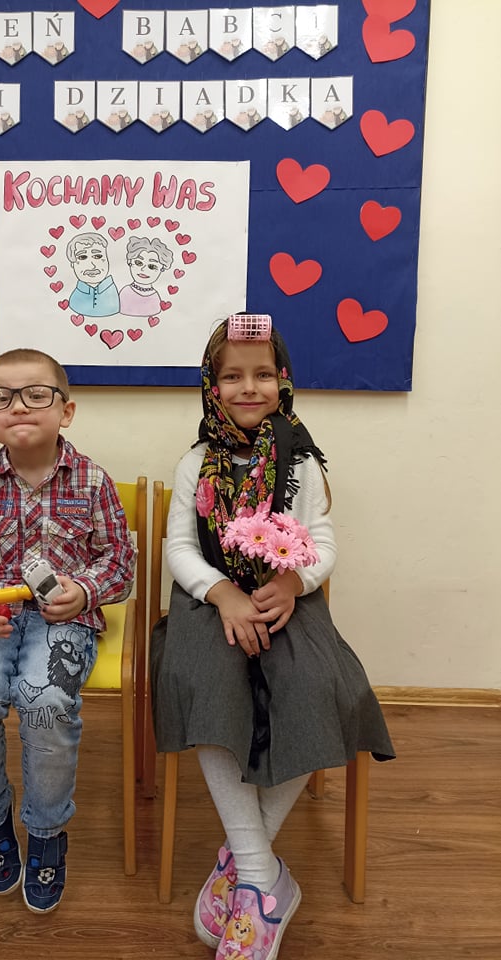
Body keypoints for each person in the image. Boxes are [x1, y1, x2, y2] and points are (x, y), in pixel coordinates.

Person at [151, 315, 394, 960]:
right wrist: (220, 592)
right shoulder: (196, 463)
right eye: (232, 376)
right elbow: (179, 547)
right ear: (212, 386)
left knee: (319, 688)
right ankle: (262, 881)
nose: (248, 387)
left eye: (262, 374)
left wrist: (294, 581)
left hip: (286, 600)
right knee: (204, 681)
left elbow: (323, 541)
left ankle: (244, 861)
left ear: (282, 381)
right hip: (209, 599)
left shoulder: (301, 463)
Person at [0, 348, 136, 912]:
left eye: (36, 395)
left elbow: (120, 562)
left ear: (66, 411)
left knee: (44, 701)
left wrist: (84, 590)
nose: (18, 406)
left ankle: (45, 831)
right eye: (2, 397)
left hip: (63, 621)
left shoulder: (92, 481)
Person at [66, 232, 120, 318]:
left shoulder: (116, 296)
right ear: (72, 264)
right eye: (82, 257)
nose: (92, 265)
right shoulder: (74, 299)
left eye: (97, 256)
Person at [118, 236, 173, 317]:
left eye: (152, 266)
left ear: (161, 269)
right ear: (130, 262)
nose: (143, 269)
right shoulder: (125, 293)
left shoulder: (155, 298)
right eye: (138, 263)